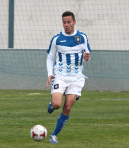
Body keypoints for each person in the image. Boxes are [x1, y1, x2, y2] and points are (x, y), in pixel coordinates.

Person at [46, 11, 91, 144]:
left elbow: (87, 54)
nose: (66, 25)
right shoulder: (57, 39)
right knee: (57, 104)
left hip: (76, 77)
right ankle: (52, 103)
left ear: (74, 22)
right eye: (64, 22)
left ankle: (54, 135)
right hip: (60, 75)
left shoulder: (82, 37)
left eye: (69, 22)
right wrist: (50, 73)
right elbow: (50, 57)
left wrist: (87, 57)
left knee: (68, 107)